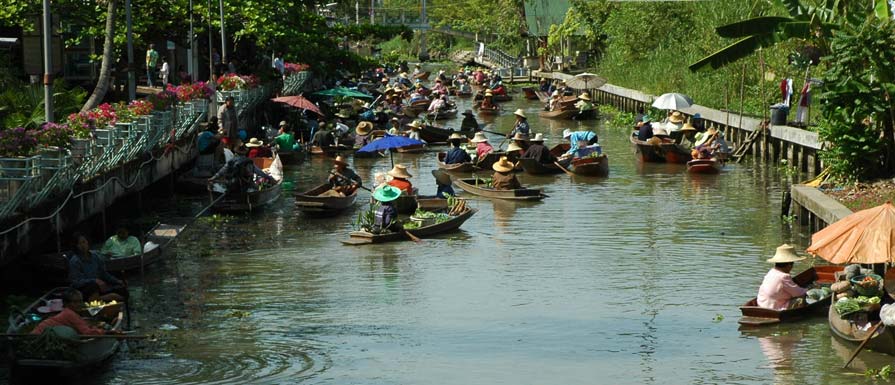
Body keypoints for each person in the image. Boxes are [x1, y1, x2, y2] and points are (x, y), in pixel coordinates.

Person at [68, 234, 127, 302]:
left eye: (84, 242)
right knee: (92, 286)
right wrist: (94, 280)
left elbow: (103, 274)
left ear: (87, 242)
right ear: (76, 246)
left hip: (99, 287)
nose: (82, 245)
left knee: (122, 289)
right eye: (79, 244)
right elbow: (76, 282)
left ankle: (104, 298)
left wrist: (117, 281)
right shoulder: (75, 261)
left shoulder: (95, 256)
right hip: (85, 290)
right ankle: (103, 298)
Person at [30, 289, 115, 336]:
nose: (79, 304)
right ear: (67, 303)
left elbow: (82, 325)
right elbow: (87, 333)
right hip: (38, 336)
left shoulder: (69, 313)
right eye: (75, 302)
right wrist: (106, 332)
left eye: (80, 301)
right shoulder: (69, 314)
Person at [757, 244, 809, 310]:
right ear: (789, 265)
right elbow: (798, 293)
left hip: (761, 305)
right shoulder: (784, 276)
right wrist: (809, 290)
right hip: (775, 309)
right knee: (802, 299)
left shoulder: (771, 272)